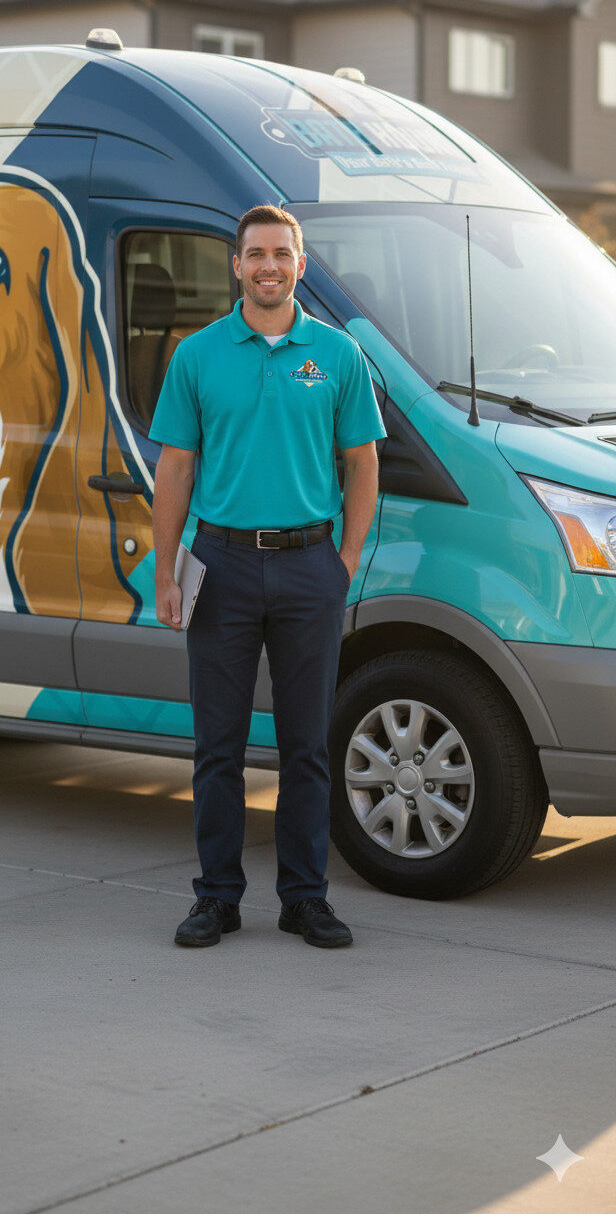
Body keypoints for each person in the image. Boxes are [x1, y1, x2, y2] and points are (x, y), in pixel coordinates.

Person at [150, 205, 386, 949]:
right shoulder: (198, 354)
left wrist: (342, 562)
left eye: (281, 253)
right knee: (216, 745)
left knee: (307, 745)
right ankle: (216, 897)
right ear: (237, 266)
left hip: (308, 566)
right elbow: (176, 469)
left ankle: (304, 898)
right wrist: (166, 572)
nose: (268, 266)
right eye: (255, 254)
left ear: (301, 265)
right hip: (218, 565)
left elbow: (363, 464)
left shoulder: (339, 356)